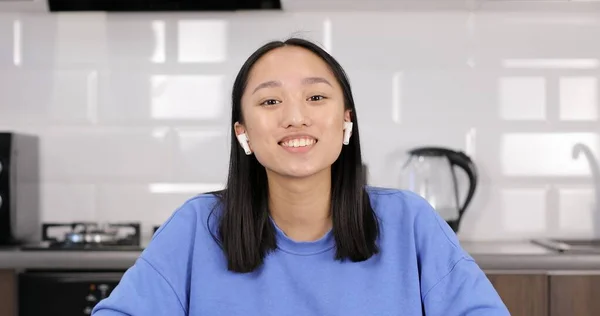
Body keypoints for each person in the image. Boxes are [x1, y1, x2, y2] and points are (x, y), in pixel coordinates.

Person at [92, 38, 510, 316]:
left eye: (316, 97)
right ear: (243, 133)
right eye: (271, 100)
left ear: (346, 121)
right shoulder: (197, 227)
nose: (295, 117)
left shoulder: (410, 223)